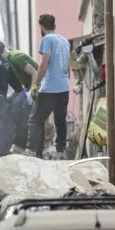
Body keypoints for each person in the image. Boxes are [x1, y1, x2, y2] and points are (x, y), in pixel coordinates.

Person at [25, 13, 71, 159]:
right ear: (54, 25)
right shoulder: (64, 41)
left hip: (50, 87)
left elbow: (44, 64)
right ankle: (61, 151)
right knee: (60, 120)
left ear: (41, 27)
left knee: (35, 119)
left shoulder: (47, 39)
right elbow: (67, 64)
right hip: (64, 87)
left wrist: (36, 85)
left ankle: (30, 151)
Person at [1, 47, 38, 155]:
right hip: (28, 88)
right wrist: (8, 98)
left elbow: (35, 73)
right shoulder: (10, 62)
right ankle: (18, 145)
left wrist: (32, 92)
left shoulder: (15, 57)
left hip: (39, 87)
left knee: (24, 113)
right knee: (13, 107)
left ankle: (24, 147)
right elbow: (18, 89)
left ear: (3, 52)